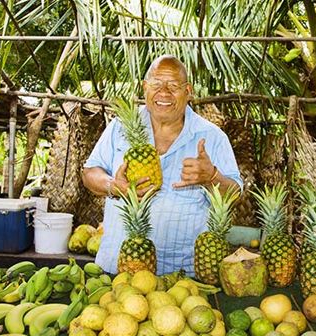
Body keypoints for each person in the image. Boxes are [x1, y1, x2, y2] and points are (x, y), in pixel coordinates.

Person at [82, 55, 243, 275]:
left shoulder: (212, 137)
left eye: (174, 86)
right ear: (145, 88)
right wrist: (113, 185)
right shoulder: (119, 128)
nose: (164, 93)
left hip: (181, 275)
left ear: (188, 91)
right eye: (157, 84)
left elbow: (236, 194)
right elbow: (90, 172)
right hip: (119, 267)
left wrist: (212, 176)